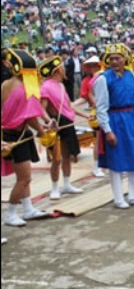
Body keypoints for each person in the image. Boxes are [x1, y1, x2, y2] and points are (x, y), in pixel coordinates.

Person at [94, 43, 134, 209]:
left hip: (131, 119)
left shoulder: (132, 76)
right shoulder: (103, 79)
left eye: (118, 58)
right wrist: (107, 130)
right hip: (115, 120)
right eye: (111, 59)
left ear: (124, 59)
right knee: (116, 159)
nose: (114, 61)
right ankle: (119, 197)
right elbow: (101, 107)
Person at [2, 49, 51, 226]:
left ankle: (28, 208)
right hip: (17, 133)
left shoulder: (6, 84)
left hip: (10, 131)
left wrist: (40, 126)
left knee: (24, 176)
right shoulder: (24, 88)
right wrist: (41, 129)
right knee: (24, 178)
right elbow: (29, 117)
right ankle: (11, 214)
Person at [38, 55, 90, 200]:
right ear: (56, 70)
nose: (64, 69)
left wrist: (86, 116)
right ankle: (55, 188)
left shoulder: (61, 86)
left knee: (68, 155)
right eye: (61, 67)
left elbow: (68, 107)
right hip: (55, 124)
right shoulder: (45, 87)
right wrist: (49, 121)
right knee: (56, 158)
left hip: (66, 121)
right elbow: (41, 110)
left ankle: (67, 184)